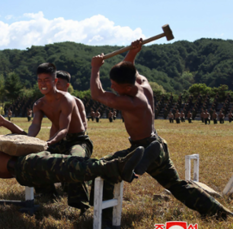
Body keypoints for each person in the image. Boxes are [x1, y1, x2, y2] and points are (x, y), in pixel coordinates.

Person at [90, 39, 232, 228]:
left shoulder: (129, 102)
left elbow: (97, 94)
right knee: (176, 185)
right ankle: (218, 211)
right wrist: (133, 52)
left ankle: (105, 218)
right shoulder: (143, 84)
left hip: (143, 147)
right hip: (157, 144)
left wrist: (95, 68)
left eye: (114, 84)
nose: (112, 87)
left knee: (106, 167)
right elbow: (130, 68)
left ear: (126, 88)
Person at [0, 108, 143, 207]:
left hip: (32, 160)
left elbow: (23, 136)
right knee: (69, 165)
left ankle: (121, 159)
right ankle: (117, 166)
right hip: (23, 166)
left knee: (71, 163)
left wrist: (5, 123)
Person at [27, 63, 92, 213]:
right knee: (35, 158)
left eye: (46, 80)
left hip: (78, 140)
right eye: (39, 80)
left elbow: (64, 129)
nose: (43, 84)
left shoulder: (67, 99)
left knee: (75, 160)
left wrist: (49, 142)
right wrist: (28, 141)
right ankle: (47, 193)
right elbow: (35, 125)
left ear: (55, 81)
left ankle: (81, 205)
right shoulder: (39, 104)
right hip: (59, 140)